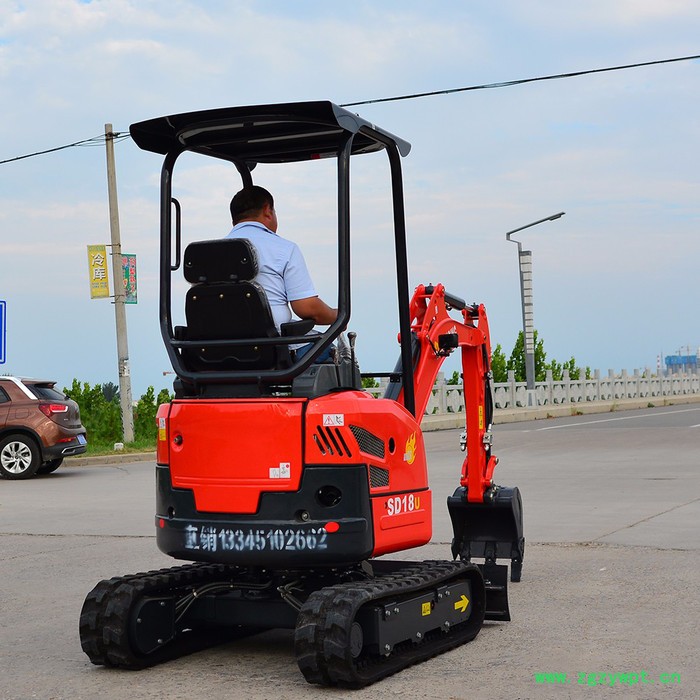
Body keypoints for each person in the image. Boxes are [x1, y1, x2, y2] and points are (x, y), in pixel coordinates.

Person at [226, 185, 337, 358]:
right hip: (273, 350)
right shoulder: (283, 249)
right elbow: (308, 309)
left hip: (216, 350)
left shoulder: (207, 253)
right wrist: (336, 316)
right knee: (338, 358)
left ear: (234, 220)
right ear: (267, 211)